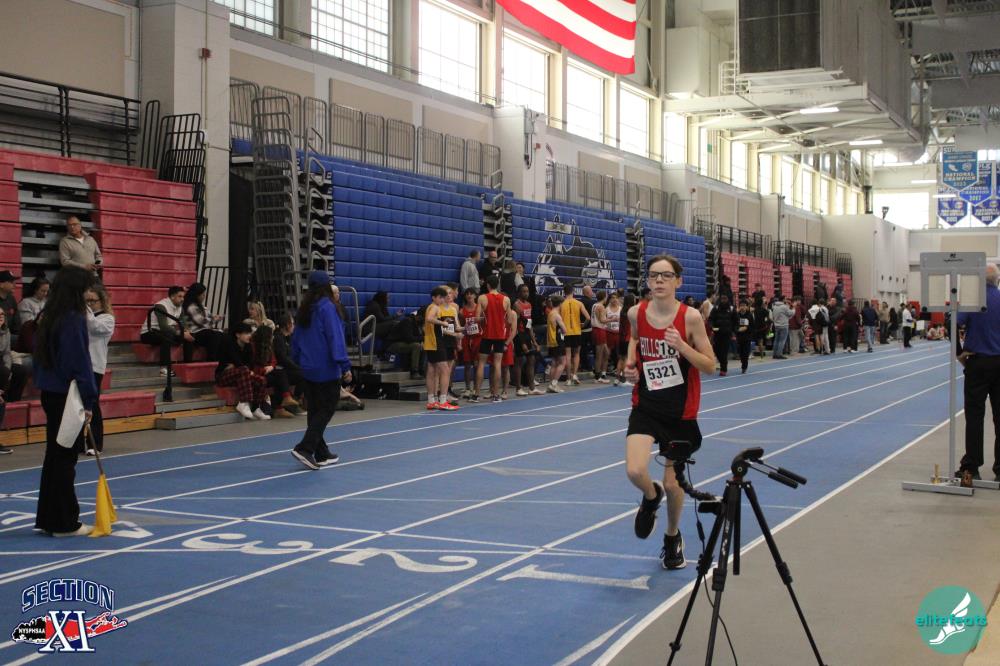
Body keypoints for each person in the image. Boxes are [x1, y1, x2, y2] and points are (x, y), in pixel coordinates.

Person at [624, 255, 716, 570]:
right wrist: (630, 365)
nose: (659, 281)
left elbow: (710, 365)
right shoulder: (636, 313)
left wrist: (682, 347)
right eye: (654, 275)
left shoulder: (690, 317)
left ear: (678, 281)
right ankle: (651, 497)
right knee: (635, 470)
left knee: (675, 484)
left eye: (666, 275)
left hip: (680, 411)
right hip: (646, 405)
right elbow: (635, 338)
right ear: (648, 281)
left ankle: (672, 536)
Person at [33, 266, 99, 536]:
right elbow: (79, 362)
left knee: (54, 455)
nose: (88, 294)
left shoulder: (48, 315)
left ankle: (48, 518)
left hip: (50, 393)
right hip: (67, 396)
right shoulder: (72, 318)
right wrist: (89, 400)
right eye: (85, 288)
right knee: (65, 458)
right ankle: (64, 522)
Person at [290, 271, 353, 469]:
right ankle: (305, 448)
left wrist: (297, 360)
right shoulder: (328, 308)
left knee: (315, 409)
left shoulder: (304, 309)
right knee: (326, 408)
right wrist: (344, 365)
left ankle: (321, 452)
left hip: (308, 367)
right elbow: (335, 337)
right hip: (325, 367)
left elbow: (296, 339)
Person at [957, 263, 1000, 487]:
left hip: (977, 363)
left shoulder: (973, 300)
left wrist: (958, 353)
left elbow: (953, 323)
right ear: (997, 280)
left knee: (974, 416)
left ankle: (971, 468)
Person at [216, 322, 269, 421]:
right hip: (223, 376)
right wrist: (241, 367)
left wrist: (238, 366)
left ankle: (255, 408)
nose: (249, 336)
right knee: (243, 369)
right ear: (238, 335)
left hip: (241, 374)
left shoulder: (248, 346)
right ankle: (243, 403)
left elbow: (249, 364)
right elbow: (238, 362)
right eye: (246, 333)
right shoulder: (230, 344)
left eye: (250, 333)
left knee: (261, 380)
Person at [84, 286, 114, 455]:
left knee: (92, 404)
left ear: (102, 301)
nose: (89, 304)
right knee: (75, 406)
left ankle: (95, 443)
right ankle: (76, 444)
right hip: (79, 366)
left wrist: (85, 309)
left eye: (92, 301)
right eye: (86, 301)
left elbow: (94, 327)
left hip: (95, 366)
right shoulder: (84, 316)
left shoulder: (107, 319)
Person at [140, 286, 194, 373]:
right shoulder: (160, 306)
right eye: (180, 296)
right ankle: (164, 368)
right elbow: (164, 326)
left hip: (165, 332)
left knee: (189, 336)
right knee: (167, 336)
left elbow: (183, 322)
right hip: (149, 333)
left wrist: (187, 331)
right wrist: (181, 333)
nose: (182, 299)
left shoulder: (179, 306)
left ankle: (188, 366)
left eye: (183, 296)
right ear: (172, 297)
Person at [423, 286, 460, 410]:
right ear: (434, 297)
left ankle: (431, 400)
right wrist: (442, 323)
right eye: (440, 298)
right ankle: (443, 400)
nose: (442, 300)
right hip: (436, 342)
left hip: (430, 342)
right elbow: (429, 319)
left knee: (431, 370)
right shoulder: (434, 307)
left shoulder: (430, 307)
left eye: (443, 298)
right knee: (445, 370)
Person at [251, 325, 299, 418]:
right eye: (271, 335)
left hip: (268, 371)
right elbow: (252, 365)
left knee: (280, 374)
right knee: (280, 375)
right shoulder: (253, 347)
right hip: (257, 373)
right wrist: (264, 369)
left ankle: (281, 405)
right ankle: (283, 402)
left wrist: (271, 367)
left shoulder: (268, 346)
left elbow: (274, 360)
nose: (273, 337)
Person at [476, 275, 510, 402]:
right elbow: (509, 319)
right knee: (497, 364)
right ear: (498, 285)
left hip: (486, 334)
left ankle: (476, 394)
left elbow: (477, 318)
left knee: (481, 364)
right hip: (500, 335)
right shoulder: (506, 299)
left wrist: (485, 322)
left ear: (488, 285)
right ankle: (496, 395)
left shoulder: (482, 298)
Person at [182, 283, 225, 361]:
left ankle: (220, 361)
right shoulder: (190, 306)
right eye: (202, 294)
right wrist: (214, 319)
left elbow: (207, 318)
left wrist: (213, 318)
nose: (204, 296)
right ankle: (211, 360)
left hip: (202, 331)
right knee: (213, 335)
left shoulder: (200, 306)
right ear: (196, 295)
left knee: (222, 335)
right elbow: (202, 322)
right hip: (193, 333)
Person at [273, 313, 305, 414]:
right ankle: (293, 402)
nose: (294, 326)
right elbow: (282, 358)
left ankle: (295, 401)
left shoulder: (287, 338)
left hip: (286, 369)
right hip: (280, 369)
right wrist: (297, 367)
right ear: (287, 325)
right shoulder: (278, 338)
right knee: (303, 373)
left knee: (306, 373)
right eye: (292, 323)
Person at [559, 283, 590, 385]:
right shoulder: (579, 303)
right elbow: (588, 318)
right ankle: (575, 374)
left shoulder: (561, 304)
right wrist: (583, 325)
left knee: (568, 355)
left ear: (564, 292)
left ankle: (568, 379)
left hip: (566, 332)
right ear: (573, 291)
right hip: (577, 331)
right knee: (576, 354)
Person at [386, 311, 424, 379]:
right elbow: (409, 338)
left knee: (423, 346)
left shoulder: (417, 323)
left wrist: (422, 340)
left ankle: (422, 370)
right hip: (393, 344)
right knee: (417, 346)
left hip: (404, 343)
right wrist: (423, 338)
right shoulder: (407, 321)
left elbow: (417, 337)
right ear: (418, 316)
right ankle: (414, 371)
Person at [459, 288, 482, 399]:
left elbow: (485, 322)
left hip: (478, 338)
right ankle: (468, 388)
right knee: (467, 364)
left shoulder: (479, 308)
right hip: (467, 339)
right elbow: (461, 326)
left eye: (471, 293)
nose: (469, 295)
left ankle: (476, 388)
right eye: (467, 294)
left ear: (475, 296)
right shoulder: (461, 311)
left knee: (477, 365)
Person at [0, 310, 26, 403]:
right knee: (4, 372)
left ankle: (13, 401)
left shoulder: (6, 330)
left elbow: (7, 353)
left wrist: (8, 367)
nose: (1, 316)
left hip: (2, 361)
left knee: (20, 370)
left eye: (2, 314)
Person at [708, 294, 735, 375]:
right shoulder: (716, 308)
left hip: (727, 334)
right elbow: (710, 319)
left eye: (725, 298)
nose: (723, 300)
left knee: (724, 351)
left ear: (727, 299)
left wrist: (733, 330)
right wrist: (711, 326)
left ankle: (723, 369)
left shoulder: (731, 309)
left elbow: (736, 320)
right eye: (722, 298)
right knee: (716, 350)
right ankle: (723, 363)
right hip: (717, 333)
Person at [546, 295, 567, 393]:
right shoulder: (557, 315)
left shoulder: (550, 313)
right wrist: (562, 330)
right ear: (560, 304)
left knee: (554, 362)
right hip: (558, 340)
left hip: (551, 340)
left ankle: (551, 385)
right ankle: (554, 384)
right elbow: (565, 330)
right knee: (563, 362)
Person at [591, 291, 610, 382]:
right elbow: (602, 320)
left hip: (597, 330)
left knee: (606, 353)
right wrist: (613, 319)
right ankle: (597, 376)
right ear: (604, 297)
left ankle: (602, 373)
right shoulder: (601, 306)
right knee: (599, 355)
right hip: (599, 330)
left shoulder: (594, 305)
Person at [735, 300, 755, 374]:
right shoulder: (737, 315)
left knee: (746, 353)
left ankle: (744, 367)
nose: (742, 307)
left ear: (746, 307)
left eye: (744, 305)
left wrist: (746, 328)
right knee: (740, 352)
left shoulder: (749, 315)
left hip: (747, 337)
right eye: (741, 305)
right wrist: (738, 329)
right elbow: (734, 324)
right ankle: (743, 361)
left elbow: (752, 326)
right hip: (739, 336)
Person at [770, 295, 793, 359]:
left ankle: (775, 354)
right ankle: (779, 354)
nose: (786, 300)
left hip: (777, 325)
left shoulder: (774, 306)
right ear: (783, 299)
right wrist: (793, 309)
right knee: (782, 340)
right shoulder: (784, 307)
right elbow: (790, 313)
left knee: (776, 340)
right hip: (783, 325)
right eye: (785, 299)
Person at [0, 269, 20, 335]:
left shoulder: (11, 298)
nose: (14, 284)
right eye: (11, 282)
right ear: (1, 285)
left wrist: (16, 333)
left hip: (10, 335)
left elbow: (16, 319)